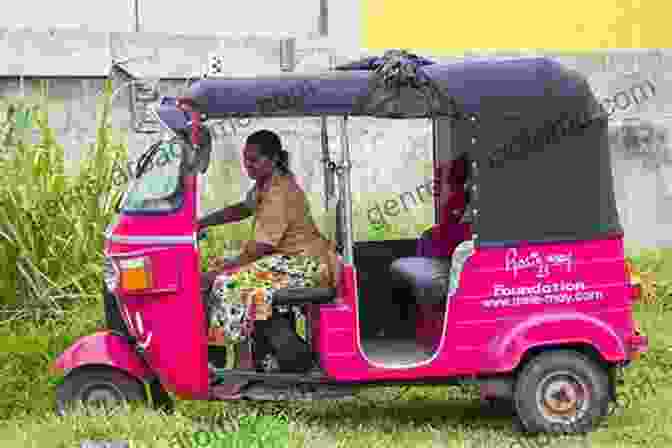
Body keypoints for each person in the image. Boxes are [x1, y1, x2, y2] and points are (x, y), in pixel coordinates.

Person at [198, 130, 339, 344]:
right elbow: (243, 209)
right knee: (219, 267)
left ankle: (234, 355)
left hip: (306, 264)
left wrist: (221, 271)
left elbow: (259, 249)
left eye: (254, 160)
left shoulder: (278, 192)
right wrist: (202, 223)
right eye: (245, 159)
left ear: (273, 159)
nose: (247, 165)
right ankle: (258, 343)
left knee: (226, 283)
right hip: (288, 258)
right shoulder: (266, 183)